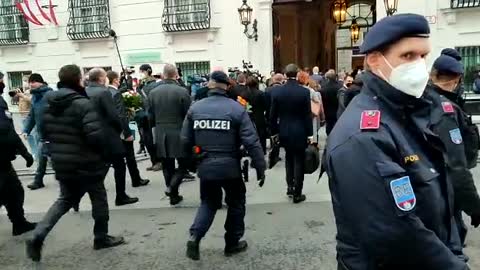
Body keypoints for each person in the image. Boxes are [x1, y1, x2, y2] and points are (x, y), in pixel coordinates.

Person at [325, 14, 469, 269]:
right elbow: (395, 234)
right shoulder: (362, 135)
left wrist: (455, 252)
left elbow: (442, 201)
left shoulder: (410, 112)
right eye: (407, 56)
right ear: (374, 60)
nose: (419, 65)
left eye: (423, 56)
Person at [27, 65, 125, 262]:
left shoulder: (48, 102)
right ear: (77, 80)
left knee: (64, 200)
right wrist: (103, 154)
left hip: (62, 161)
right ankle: (101, 237)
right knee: (99, 198)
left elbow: (43, 132)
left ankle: (38, 235)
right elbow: (95, 136)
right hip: (87, 162)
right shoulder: (82, 103)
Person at [182, 71, 266, 261]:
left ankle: (195, 237)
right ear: (227, 86)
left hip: (206, 165)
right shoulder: (236, 109)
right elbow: (252, 141)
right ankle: (232, 242)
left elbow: (185, 140)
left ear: (210, 85)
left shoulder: (195, 108)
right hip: (230, 167)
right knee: (236, 202)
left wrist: (193, 160)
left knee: (209, 202)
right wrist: (260, 167)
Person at [425, 51, 480, 251]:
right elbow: (456, 167)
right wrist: (474, 206)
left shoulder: (423, 98)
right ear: (456, 80)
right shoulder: (445, 110)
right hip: (443, 191)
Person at [86, 68, 140, 206]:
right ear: (101, 78)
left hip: (92, 134)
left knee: (102, 166)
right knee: (119, 165)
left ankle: (79, 195)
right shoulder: (103, 92)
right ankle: (120, 196)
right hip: (109, 136)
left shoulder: (85, 91)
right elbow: (113, 115)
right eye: (105, 77)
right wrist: (124, 132)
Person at [149, 64, 191, 205]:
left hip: (161, 132)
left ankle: (173, 194)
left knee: (167, 165)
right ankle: (172, 187)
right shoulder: (182, 91)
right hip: (180, 131)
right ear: (176, 75)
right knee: (184, 163)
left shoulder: (153, 92)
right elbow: (188, 114)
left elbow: (150, 116)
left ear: (163, 75)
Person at [270, 64, 312, 203]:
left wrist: (274, 132)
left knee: (288, 158)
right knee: (299, 160)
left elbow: (272, 115)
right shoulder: (304, 92)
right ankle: (298, 192)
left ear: (285, 74)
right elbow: (307, 115)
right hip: (300, 130)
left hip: (284, 130)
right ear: (298, 74)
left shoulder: (277, 92)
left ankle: (290, 186)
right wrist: (310, 134)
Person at [107, 71, 150, 201]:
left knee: (125, 157)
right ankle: (136, 179)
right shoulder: (116, 94)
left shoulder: (108, 92)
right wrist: (127, 133)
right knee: (129, 155)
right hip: (124, 127)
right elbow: (121, 115)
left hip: (114, 130)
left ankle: (136, 178)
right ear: (114, 80)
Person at [0, 81, 36, 236]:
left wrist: (24, 152)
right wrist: (24, 152)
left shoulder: (0, 100)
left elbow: (9, 130)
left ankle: (19, 223)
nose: (2, 82)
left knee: (14, 192)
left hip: (3, 160)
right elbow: (5, 131)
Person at [21, 74, 53, 190]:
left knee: (58, 161)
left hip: (55, 135)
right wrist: (26, 130)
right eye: (29, 82)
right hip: (42, 135)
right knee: (41, 159)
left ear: (40, 82)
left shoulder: (50, 95)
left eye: (33, 81)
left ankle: (68, 183)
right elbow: (32, 115)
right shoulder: (35, 97)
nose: (30, 84)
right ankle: (38, 181)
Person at [136, 64, 161, 170]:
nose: (141, 74)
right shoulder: (141, 85)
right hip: (145, 116)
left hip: (151, 116)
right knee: (147, 140)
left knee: (151, 140)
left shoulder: (154, 85)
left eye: (142, 71)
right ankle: (155, 161)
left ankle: (157, 162)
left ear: (148, 71)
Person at [247, 76, 268, 154]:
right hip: (259, 117)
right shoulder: (261, 93)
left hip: (248, 117)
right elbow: (266, 106)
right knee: (261, 135)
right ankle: (262, 150)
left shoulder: (244, 94)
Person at [320, 69, 341, 135]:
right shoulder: (339, 86)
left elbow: (322, 100)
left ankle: (329, 136)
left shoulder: (324, 88)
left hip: (327, 109)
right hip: (337, 109)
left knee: (329, 124)